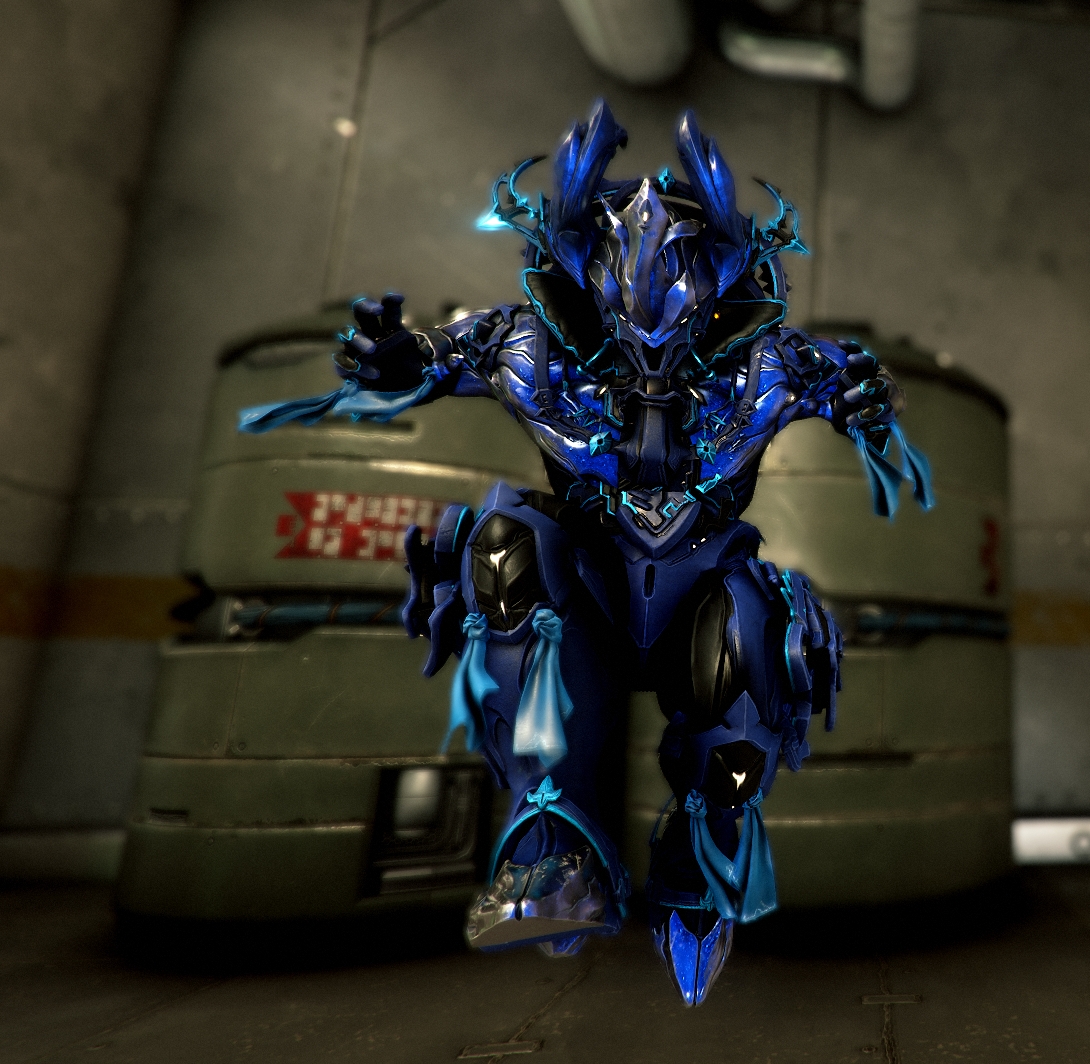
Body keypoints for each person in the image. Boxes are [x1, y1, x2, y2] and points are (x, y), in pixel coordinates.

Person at [239, 99, 932, 1005]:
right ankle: (553, 846)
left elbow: (859, 386)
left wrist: (870, 399)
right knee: (501, 550)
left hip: (704, 588)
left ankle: (701, 864)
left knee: (757, 631)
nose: (650, 379)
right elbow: (430, 356)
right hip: (586, 589)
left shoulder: (770, 362)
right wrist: (392, 358)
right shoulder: (522, 343)